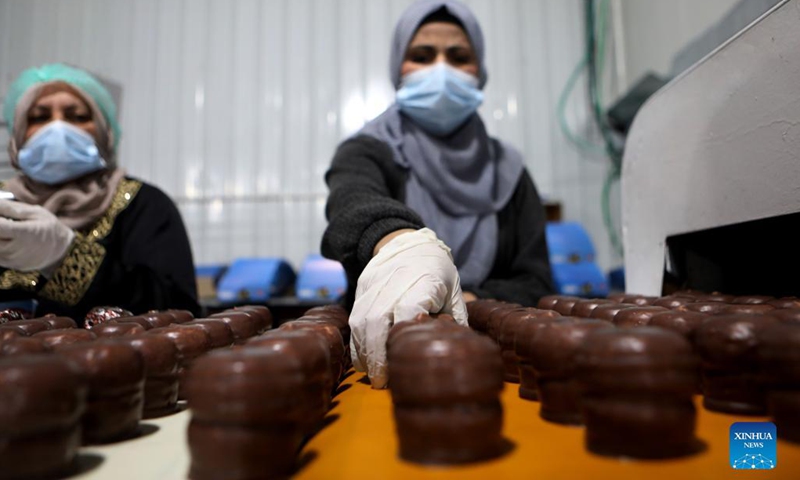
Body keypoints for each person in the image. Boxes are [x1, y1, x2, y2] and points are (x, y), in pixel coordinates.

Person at [322, 0, 555, 388]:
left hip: (494, 370)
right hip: (386, 364)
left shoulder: (508, 171)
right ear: (398, 65)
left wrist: (464, 302)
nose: (441, 69)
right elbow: (351, 204)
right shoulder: (366, 151)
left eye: (459, 56)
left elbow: (534, 282)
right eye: (422, 55)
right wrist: (403, 247)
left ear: (479, 71)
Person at [0, 63, 200, 321]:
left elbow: (178, 310)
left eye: (77, 117)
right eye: (39, 117)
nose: (57, 129)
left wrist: (65, 257)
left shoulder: (143, 205)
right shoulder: (5, 205)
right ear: (17, 134)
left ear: (106, 133)